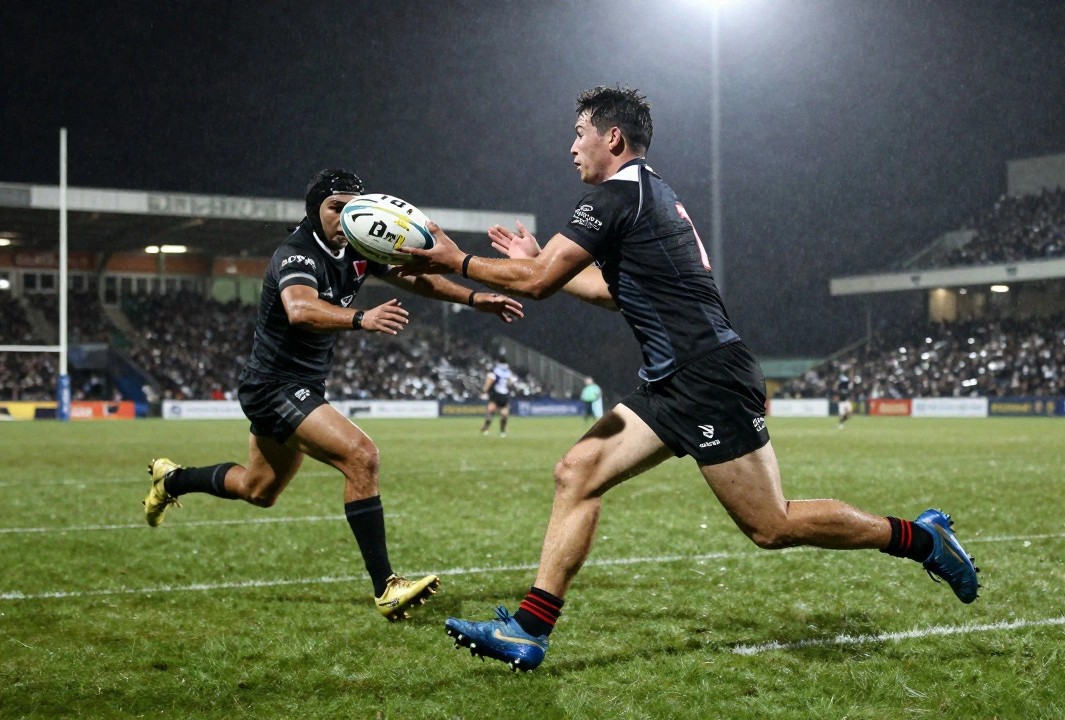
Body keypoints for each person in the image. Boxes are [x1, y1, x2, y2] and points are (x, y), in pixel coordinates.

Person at [400, 87, 980, 671]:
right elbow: (605, 291)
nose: (571, 147)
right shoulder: (647, 193)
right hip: (670, 381)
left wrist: (456, 260)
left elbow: (538, 284)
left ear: (613, 139)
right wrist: (532, 263)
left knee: (770, 526)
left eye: (579, 134)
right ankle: (530, 629)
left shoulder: (613, 196)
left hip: (705, 375)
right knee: (576, 472)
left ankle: (921, 539)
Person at [141, 169, 524, 621]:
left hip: (298, 386)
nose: (346, 218)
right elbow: (300, 309)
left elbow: (416, 278)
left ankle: (170, 480)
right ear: (314, 209)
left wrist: (475, 300)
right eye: (335, 208)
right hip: (275, 386)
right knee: (361, 455)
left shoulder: (358, 247)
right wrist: (362, 319)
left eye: (352, 207)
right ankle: (386, 587)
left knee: (258, 489)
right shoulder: (296, 254)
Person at [480, 360, 515, 437]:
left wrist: (484, 391)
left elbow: (489, 381)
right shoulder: (507, 372)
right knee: (504, 414)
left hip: (496, 394)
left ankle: (486, 428)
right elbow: (510, 382)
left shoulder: (495, 371)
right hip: (504, 395)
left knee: (490, 411)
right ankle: (502, 432)